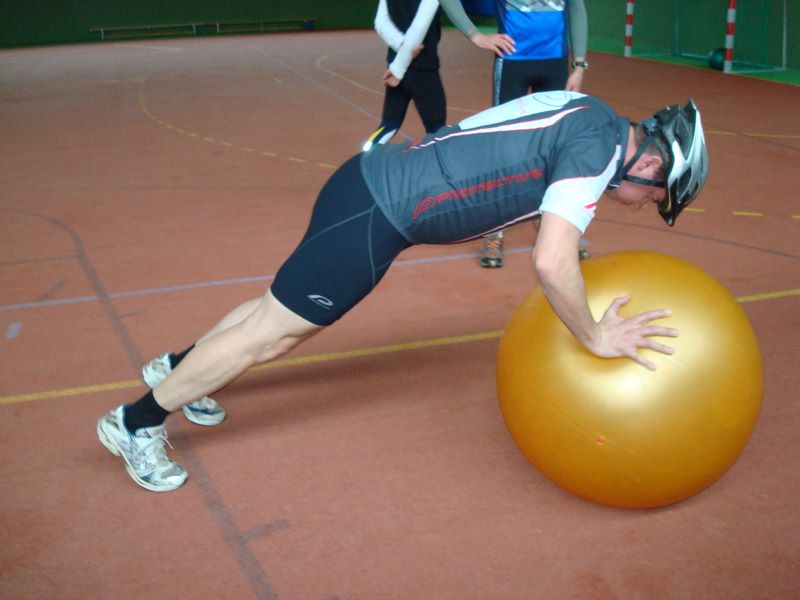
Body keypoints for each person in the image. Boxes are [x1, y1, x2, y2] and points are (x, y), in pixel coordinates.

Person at [97, 91, 709, 492]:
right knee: (274, 334)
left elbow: (506, 152)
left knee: (274, 311)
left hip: (369, 186)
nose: (643, 204)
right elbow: (552, 263)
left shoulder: (590, 113)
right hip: (378, 215)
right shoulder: (597, 151)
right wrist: (595, 336)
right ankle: (137, 421)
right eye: (656, 196)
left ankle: (179, 368)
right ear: (652, 164)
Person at [440, 0, 590, 268]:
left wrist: (579, 65)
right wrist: (475, 35)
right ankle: (494, 231)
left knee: (553, 149)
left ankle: (553, 228)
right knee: (502, 150)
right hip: (512, 63)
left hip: (555, 65)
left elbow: (577, 7)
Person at [364, 0, 515, 151]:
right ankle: (439, 166)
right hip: (421, 69)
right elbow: (419, 26)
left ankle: (364, 157)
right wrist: (399, 68)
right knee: (437, 130)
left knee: (389, 124)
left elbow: (380, 22)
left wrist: (399, 49)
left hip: (394, 64)